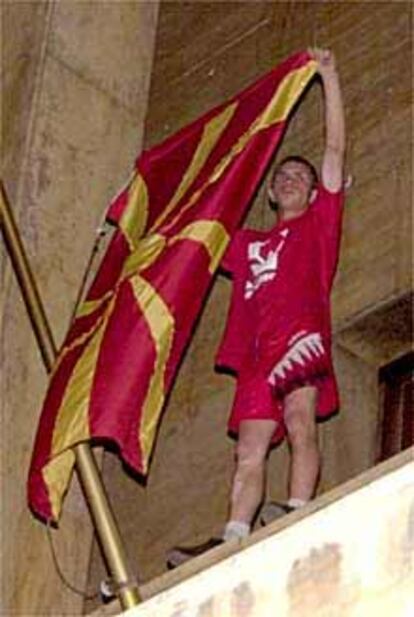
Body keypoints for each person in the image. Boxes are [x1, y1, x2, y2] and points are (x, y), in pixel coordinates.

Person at [166, 47, 346, 568]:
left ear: (314, 194)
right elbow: (194, 240)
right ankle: (236, 536)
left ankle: (296, 510)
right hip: (255, 357)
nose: (290, 179)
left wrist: (328, 77)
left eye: (300, 177)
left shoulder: (318, 227)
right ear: (269, 192)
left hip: (299, 340)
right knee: (248, 450)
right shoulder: (246, 246)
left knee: (299, 419)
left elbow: (334, 148)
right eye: (282, 176)